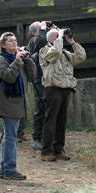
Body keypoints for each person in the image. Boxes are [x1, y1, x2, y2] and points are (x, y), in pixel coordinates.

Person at [0, 32, 36, 180]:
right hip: (8, 100)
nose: (14, 42)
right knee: (11, 137)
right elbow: (8, 77)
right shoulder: (1, 59)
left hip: (18, 100)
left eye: (15, 40)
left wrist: (28, 61)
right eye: (10, 41)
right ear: (3, 45)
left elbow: (31, 76)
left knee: (10, 136)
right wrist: (18, 61)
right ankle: (10, 170)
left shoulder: (17, 59)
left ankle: (5, 169)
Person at [39, 28, 86, 161]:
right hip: (52, 89)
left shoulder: (65, 54)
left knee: (62, 120)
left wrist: (72, 42)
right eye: (56, 36)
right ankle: (46, 151)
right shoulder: (44, 51)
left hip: (66, 89)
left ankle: (58, 149)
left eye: (60, 36)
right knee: (50, 120)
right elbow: (54, 54)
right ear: (50, 39)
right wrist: (59, 37)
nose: (60, 38)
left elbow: (80, 57)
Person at [28, 21, 56, 150]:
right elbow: (40, 41)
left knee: (52, 107)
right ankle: (37, 137)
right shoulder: (34, 42)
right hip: (40, 80)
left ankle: (49, 136)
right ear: (35, 32)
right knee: (40, 108)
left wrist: (54, 30)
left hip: (52, 78)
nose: (44, 30)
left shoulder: (47, 42)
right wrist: (44, 29)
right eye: (40, 29)